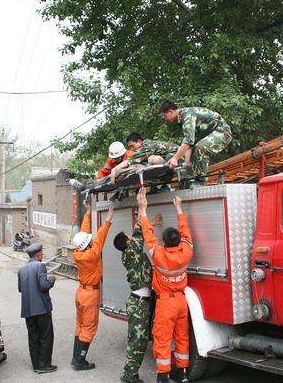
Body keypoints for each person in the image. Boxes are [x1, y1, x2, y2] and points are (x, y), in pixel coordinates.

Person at [137, 189, 193, 383]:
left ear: (164, 243)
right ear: (179, 241)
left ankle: (163, 376)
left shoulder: (159, 255)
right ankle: (183, 373)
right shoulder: (187, 252)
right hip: (181, 302)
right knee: (182, 337)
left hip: (166, 303)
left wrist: (143, 210)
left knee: (162, 338)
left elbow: (148, 235)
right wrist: (179, 209)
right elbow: (186, 232)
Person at [113, 210, 160, 383]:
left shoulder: (130, 255)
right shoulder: (131, 253)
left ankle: (130, 373)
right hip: (139, 304)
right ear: (127, 242)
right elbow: (138, 232)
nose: (131, 238)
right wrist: (142, 207)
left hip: (141, 303)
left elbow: (140, 235)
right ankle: (128, 375)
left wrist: (151, 224)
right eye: (129, 237)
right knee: (137, 342)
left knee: (139, 341)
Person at [70, 200, 114, 370]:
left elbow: (83, 233)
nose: (91, 240)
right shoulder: (91, 254)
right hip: (90, 295)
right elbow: (100, 238)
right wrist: (108, 219)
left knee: (80, 326)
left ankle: (76, 357)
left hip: (81, 293)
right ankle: (79, 361)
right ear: (87, 245)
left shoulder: (78, 252)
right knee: (89, 327)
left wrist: (87, 213)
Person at [159, 100, 232, 187]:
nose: (165, 119)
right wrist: (187, 162)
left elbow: (189, 141)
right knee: (187, 155)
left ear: (171, 112)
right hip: (207, 135)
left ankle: (201, 181)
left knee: (200, 147)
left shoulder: (187, 115)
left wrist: (175, 158)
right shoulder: (180, 119)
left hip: (222, 131)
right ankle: (189, 179)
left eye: (165, 116)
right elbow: (190, 142)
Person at [18, 243, 57, 374]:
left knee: (33, 337)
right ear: (38, 254)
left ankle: (36, 365)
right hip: (41, 308)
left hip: (28, 310)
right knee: (46, 336)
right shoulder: (40, 266)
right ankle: (44, 365)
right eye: (42, 253)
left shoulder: (21, 269)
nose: (43, 255)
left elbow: (20, 289)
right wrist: (52, 279)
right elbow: (43, 285)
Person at [110, 133, 180, 184]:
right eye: (130, 147)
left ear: (139, 142)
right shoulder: (145, 148)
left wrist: (115, 169)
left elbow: (130, 161)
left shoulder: (147, 147)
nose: (131, 149)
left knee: (152, 159)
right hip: (172, 160)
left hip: (179, 157)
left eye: (132, 146)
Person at [68, 141, 136, 193]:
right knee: (104, 180)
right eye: (114, 158)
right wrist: (99, 181)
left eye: (116, 158)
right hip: (117, 180)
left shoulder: (130, 155)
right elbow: (103, 172)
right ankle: (89, 187)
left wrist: (114, 170)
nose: (114, 160)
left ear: (122, 154)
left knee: (111, 176)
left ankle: (84, 187)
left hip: (128, 177)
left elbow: (128, 162)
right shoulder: (111, 159)